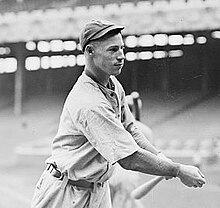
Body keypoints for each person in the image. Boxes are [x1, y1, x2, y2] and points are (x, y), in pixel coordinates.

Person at [31, 20, 206, 208]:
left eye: (122, 48)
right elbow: (128, 158)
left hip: (97, 189)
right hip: (66, 192)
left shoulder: (112, 84)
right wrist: (177, 170)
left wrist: (160, 157)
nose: (121, 56)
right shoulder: (89, 102)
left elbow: (131, 128)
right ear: (90, 51)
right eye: (113, 50)